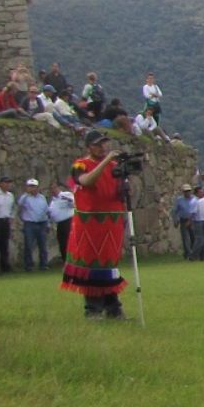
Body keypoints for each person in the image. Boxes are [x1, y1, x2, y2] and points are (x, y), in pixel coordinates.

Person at [60, 134, 129, 319]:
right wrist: (107, 161)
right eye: (98, 145)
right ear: (89, 147)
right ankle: (93, 308)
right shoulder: (81, 165)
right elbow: (86, 181)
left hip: (111, 221)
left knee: (109, 264)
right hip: (90, 222)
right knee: (92, 264)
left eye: (105, 144)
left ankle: (113, 307)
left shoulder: (114, 168)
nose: (103, 147)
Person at [17, 178, 53, 272]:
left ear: (37, 187)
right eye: (30, 186)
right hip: (30, 224)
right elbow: (19, 204)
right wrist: (26, 193)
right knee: (28, 245)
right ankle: (29, 265)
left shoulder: (42, 197)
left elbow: (46, 211)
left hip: (42, 223)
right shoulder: (25, 198)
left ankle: (43, 264)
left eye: (34, 186)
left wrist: (48, 224)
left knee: (42, 245)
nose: (32, 188)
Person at [49, 180, 76, 262]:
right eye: (51, 189)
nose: (53, 190)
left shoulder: (65, 195)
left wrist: (67, 199)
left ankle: (72, 260)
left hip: (68, 221)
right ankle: (65, 261)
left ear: (58, 188)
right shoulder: (53, 201)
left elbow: (73, 203)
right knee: (62, 243)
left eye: (54, 188)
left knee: (69, 242)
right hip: (59, 224)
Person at [173, 186, 196, 259]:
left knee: (194, 237)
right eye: (186, 191)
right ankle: (188, 254)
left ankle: (194, 253)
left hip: (193, 220)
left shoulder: (194, 199)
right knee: (185, 238)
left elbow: (196, 210)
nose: (187, 193)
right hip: (183, 220)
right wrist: (175, 220)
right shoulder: (179, 200)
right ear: (183, 192)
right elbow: (175, 211)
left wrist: (191, 220)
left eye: (188, 191)